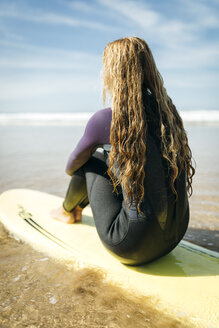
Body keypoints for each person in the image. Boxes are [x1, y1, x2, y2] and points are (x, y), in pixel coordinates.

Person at [50, 37, 195, 265]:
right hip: (175, 235)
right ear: (149, 69)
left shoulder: (105, 119)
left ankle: (67, 211)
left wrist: (101, 173)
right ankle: (76, 208)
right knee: (121, 162)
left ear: (112, 73)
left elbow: (72, 166)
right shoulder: (169, 115)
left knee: (92, 160)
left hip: (131, 246)